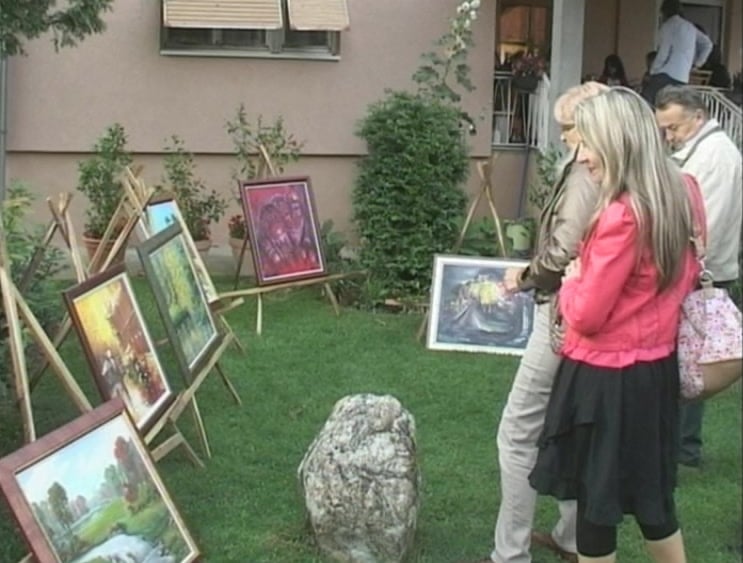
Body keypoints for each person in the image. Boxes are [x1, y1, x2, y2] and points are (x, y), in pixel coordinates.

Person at [529, 86, 704, 562]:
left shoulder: (621, 216)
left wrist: (572, 281)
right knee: (653, 500)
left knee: (596, 507)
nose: (582, 155)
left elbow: (586, 314)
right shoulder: (681, 193)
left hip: (605, 380)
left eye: (588, 142)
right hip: (655, 371)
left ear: (616, 142)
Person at [475, 81, 608, 563]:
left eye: (567, 128)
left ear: (590, 127)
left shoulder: (586, 173)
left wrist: (525, 276)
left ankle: (509, 553)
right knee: (569, 427)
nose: (564, 137)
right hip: (583, 315)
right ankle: (571, 539)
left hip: (562, 315)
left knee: (517, 433)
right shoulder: (607, 168)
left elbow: (563, 249)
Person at [654, 85, 743, 467]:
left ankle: (683, 448)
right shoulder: (702, 151)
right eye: (664, 129)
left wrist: (676, 269)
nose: (669, 136)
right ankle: (678, 444)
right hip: (697, 269)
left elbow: (708, 225)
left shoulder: (716, 156)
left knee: (693, 361)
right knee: (688, 359)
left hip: (702, 274)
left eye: (674, 128)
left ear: (698, 117)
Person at [641, 0, 712, 104]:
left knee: (646, 100)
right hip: (683, 78)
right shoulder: (690, 27)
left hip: (666, 74)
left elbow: (663, 53)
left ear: (664, 12)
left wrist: (652, 71)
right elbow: (708, 44)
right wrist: (698, 63)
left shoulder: (668, 26)